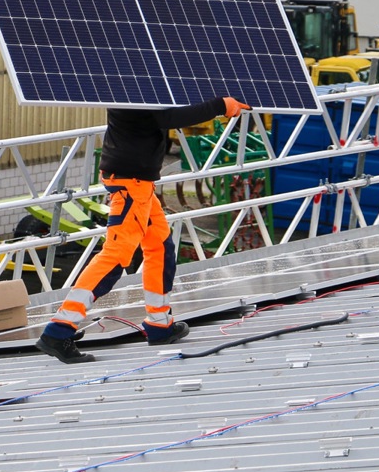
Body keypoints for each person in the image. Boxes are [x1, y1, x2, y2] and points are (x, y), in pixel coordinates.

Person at [36, 97, 251, 364]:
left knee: (160, 246)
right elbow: (168, 118)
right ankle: (59, 330)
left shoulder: (137, 78)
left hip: (139, 183)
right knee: (115, 256)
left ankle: (160, 324)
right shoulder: (131, 89)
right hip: (130, 185)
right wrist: (220, 105)